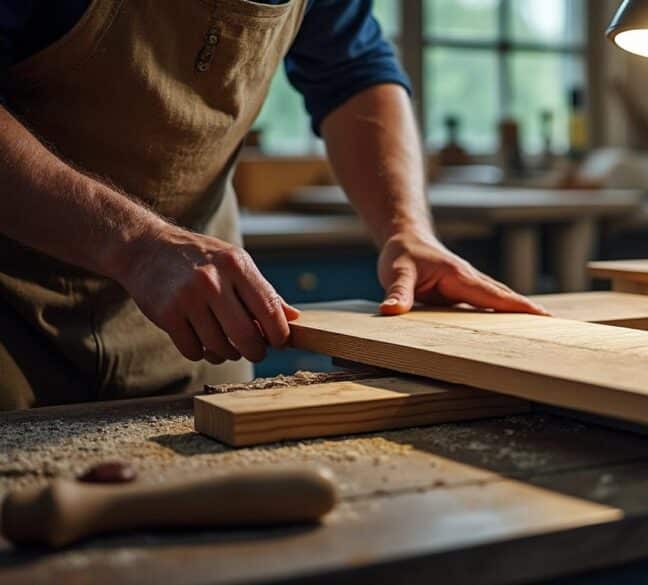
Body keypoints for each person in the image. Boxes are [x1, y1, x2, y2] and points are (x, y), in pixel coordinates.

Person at [0, 0, 546, 409]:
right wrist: (137, 246)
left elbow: (354, 73)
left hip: (199, 328)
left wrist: (408, 230)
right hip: (13, 322)